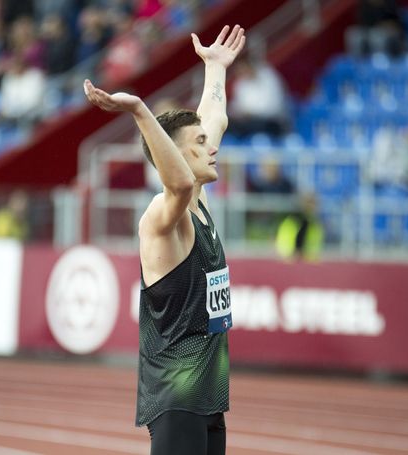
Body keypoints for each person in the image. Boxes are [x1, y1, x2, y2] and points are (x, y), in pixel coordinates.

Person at [84, 24, 246, 455]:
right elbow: (176, 183)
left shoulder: (202, 203)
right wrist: (140, 110)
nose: (211, 148)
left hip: (209, 397)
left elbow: (214, 118)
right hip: (177, 399)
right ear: (172, 156)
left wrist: (215, 69)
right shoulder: (162, 216)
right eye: (198, 144)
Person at [275, 192, 324, 261]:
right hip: (293, 257)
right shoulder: (299, 220)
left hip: (294, 257)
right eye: (312, 204)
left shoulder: (309, 220)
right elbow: (298, 239)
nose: (315, 207)